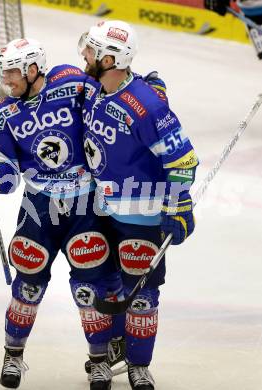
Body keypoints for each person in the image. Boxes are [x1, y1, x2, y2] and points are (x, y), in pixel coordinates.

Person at [0, 37, 126, 390]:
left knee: (89, 286)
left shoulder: (71, 80)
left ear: (33, 69)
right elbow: (8, 170)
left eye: (11, 73)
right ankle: (13, 354)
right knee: (28, 282)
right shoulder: (6, 114)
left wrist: (146, 88)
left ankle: (99, 360)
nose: (5, 81)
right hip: (39, 206)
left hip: (86, 203)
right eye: (3, 73)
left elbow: (110, 92)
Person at [78, 20, 199, 390]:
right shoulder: (94, 91)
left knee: (142, 294)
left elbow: (183, 160)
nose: (83, 55)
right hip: (101, 208)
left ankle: (139, 364)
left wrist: (179, 207)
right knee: (102, 282)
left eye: (90, 50)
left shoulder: (146, 105)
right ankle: (112, 348)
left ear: (110, 58)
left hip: (141, 217)